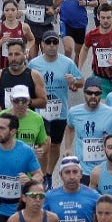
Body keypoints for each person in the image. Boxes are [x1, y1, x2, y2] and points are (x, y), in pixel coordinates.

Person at [29, 34, 84, 180]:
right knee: (44, 143)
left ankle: (48, 174)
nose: (52, 45)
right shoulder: (34, 64)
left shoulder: (67, 63)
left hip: (60, 111)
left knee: (55, 145)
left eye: (55, 42)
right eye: (49, 42)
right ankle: (39, 174)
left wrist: (74, 81)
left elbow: (81, 81)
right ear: (42, 45)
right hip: (41, 111)